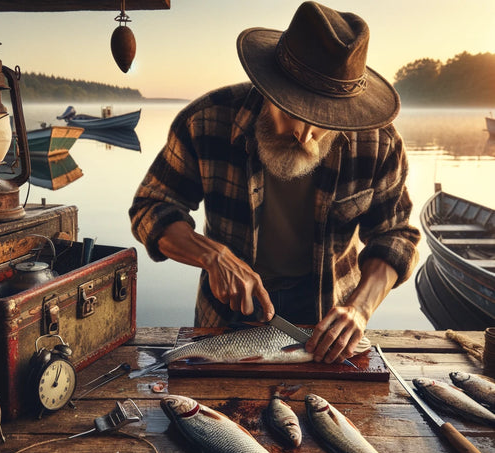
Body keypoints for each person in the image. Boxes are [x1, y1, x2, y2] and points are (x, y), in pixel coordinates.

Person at [129, 1, 420, 364]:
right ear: (268, 87)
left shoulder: (379, 143)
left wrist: (359, 308)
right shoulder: (204, 122)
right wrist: (211, 254)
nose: (305, 136)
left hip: (328, 324)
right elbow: (150, 208)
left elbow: (396, 236)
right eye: (294, 112)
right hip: (223, 321)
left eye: (323, 120)